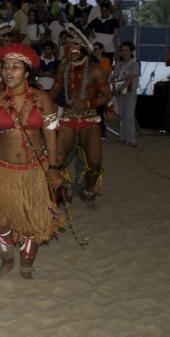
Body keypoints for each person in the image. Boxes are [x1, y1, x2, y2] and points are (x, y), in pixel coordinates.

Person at [0, 44, 64, 279]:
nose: (9, 71)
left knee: (33, 219)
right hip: (3, 170)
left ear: (27, 72)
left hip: (34, 170)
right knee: (0, 221)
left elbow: (50, 131)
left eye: (16, 67)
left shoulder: (42, 99)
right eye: (6, 67)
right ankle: (7, 259)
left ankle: (26, 266)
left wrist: (55, 167)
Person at [49, 24, 112, 208]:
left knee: (94, 162)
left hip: (90, 119)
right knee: (58, 159)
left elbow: (107, 95)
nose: (71, 50)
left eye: (76, 46)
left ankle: (89, 190)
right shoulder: (64, 67)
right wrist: (40, 103)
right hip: (68, 117)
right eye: (69, 46)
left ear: (84, 48)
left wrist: (88, 103)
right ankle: (61, 191)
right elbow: (54, 91)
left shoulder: (95, 70)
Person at [111, 41, 140, 147]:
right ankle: (123, 137)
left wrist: (121, 88)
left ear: (131, 51)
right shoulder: (119, 64)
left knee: (129, 115)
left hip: (130, 92)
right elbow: (113, 78)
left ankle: (131, 138)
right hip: (120, 93)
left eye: (126, 50)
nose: (124, 52)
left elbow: (131, 78)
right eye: (122, 50)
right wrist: (114, 88)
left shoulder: (135, 63)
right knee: (122, 115)